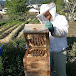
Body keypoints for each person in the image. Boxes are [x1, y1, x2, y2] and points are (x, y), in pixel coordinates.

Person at [36, 2, 69, 76]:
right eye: (44, 15)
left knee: (61, 73)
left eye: (47, 14)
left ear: (51, 12)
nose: (46, 17)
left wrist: (53, 29)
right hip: (47, 51)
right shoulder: (44, 22)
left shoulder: (61, 18)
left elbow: (64, 31)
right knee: (48, 72)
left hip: (60, 51)